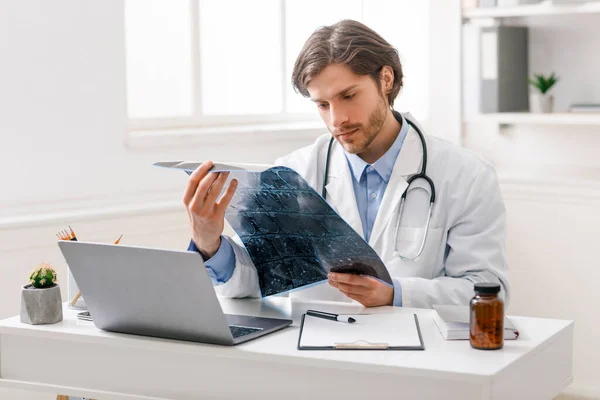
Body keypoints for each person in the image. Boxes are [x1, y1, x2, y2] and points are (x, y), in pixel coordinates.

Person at [183, 19, 509, 309]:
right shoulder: (292, 173)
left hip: (421, 361)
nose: (337, 120)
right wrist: (209, 243)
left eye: (349, 96)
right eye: (323, 105)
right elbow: (261, 279)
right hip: (317, 359)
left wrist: (396, 294)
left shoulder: (466, 175)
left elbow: (487, 290)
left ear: (385, 78)